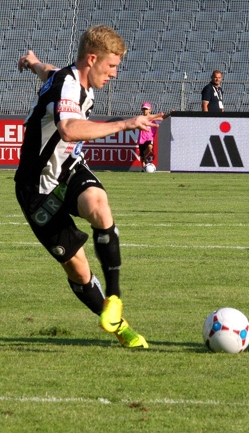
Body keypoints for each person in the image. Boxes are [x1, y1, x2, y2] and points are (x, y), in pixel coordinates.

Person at [15, 25, 164, 348]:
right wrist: (125, 123)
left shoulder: (71, 78)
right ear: (92, 59)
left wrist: (33, 62)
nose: (113, 74)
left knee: (98, 204)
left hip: (68, 172)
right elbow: (68, 129)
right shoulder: (68, 86)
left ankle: (114, 298)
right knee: (78, 269)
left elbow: (49, 71)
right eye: (111, 67)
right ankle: (121, 327)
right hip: (35, 188)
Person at [137, 102, 159, 170]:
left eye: (146, 109)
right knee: (142, 154)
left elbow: (162, 117)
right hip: (142, 139)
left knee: (149, 147)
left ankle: (144, 158)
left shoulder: (153, 119)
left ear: (150, 110)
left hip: (149, 138)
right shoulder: (140, 118)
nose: (144, 110)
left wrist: (169, 114)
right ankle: (144, 169)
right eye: (143, 109)